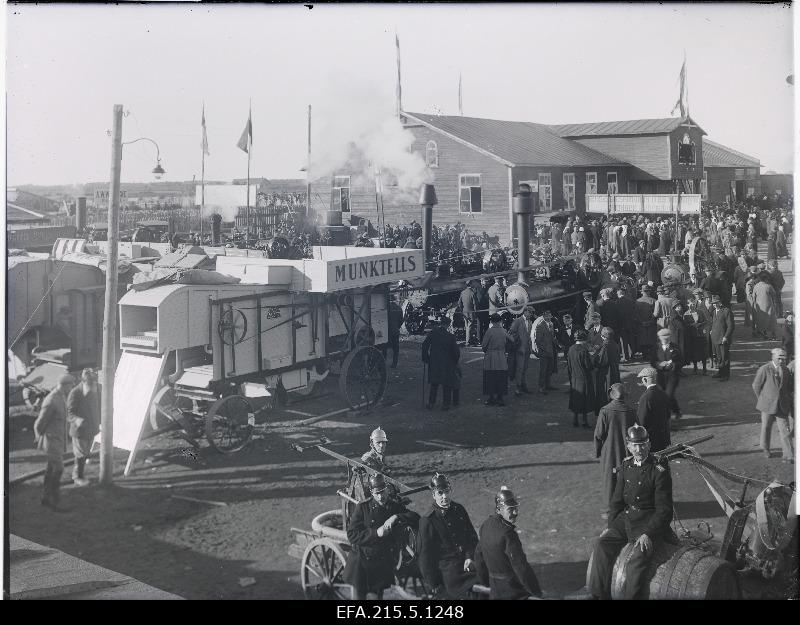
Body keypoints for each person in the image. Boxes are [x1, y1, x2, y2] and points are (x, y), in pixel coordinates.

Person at [587, 425, 674, 600]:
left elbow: (664, 510)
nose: (638, 449)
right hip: (626, 519)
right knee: (601, 544)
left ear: (649, 445)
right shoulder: (626, 466)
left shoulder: (659, 471)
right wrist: (610, 526)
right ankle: (598, 595)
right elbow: (617, 501)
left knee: (636, 562)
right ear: (628, 446)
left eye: (642, 445)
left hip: (648, 522)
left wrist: (648, 533)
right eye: (634, 445)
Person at [344, 473, 420, 599]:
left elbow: (415, 517)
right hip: (361, 563)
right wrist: (376, 533)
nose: (380, 496)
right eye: (377, 493)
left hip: (380, 562)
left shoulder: (394, 506)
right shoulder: (363, 508)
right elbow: (352, 535)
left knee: (377, 597)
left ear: (387, 490)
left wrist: (396, 516)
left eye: (382, 492)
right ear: (372, 493)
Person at [474, 486, 542, 600]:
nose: (516, 512)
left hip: (494, 588)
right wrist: (535, 591)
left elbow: (478, 557)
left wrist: (484, 582)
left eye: (516, 508)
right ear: (499, 509)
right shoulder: (508, 534)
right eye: (510, 509)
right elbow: (520, 566)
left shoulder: (485, 525)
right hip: (512, 591)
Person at [418, 473, 479, 599]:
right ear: (434, 495)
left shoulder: (459, 509)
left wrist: (469, 557)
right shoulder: (428, 520)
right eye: (440, 493)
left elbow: (472, 537)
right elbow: (425, 557)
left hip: (469, 563)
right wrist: (434, 585)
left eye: (446, 491)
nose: (444, 496)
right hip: (450, 573)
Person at [594, 383, 637, 520]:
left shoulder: (605, 411)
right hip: (627, 451)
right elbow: (637, 430)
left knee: (609, 480)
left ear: (611, 395)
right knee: (626, 478)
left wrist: (597, 451)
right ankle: (626, 506)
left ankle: (608, 510)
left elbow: (599, 434)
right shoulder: (631, 411)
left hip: (610, 451)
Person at [34, 374, 73, 510]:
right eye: (70, 386)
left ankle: (46, 498)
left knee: (51, 468)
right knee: (58, 469)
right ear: (64, 385)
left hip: (58, 440)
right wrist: (40, 437)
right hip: (51, 441)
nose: (71, 389)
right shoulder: (51, 400)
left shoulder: (61, 396)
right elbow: (39, 423)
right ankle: (55, 501)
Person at [752, 348, 794, 463]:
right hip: (767, 405)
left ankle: (788, 455)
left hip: (782, 406)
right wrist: (762, 399)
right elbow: (756, 385)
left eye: (783, 358)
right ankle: (765, 448)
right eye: (779, 358)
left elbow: (788, 387)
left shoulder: (786, 370)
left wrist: (787, 400)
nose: (782, 361)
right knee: (766, 427)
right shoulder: (765, 369)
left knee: (785, 429)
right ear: (773, 357)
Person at [66, 368, 100, 487]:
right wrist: (77, 420)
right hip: (79, 431)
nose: (93, 386)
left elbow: (99, 407)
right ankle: (77, 477)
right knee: (80, 454)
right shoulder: (75, 393)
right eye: (90, 383)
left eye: (94, 383)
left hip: (92, 429)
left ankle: (79, 472)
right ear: (84, 382)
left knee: (85, 453)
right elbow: (69, 413)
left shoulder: (97, 389)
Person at [635, 367, 671, 453]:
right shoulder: (663, 394)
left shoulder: (646, 397)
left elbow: (641, 421)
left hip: (651, 440)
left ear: (645, 379)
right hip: (662, 437)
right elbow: (668, 416)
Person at [651, 328, 683, 420]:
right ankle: (677, 410)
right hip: (661, 376)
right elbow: (652, 361)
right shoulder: (656, 348)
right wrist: (659, 365)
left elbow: (681, 361)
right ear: (659, 337)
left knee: (668, 396)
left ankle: (666, 418)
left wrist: (673, 365)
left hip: (673, 376)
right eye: (663, 337)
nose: (665, 338)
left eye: (667, 336)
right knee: (665, 395)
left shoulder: (675, 347)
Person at [567, 329, 595, 428]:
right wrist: (592, 359)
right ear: (584, 339)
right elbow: (588, 366)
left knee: (575, 397)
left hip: (574, 377)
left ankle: (575, 420)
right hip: (584, 378)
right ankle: (584, 421)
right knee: (585, 400)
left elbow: (569, 365)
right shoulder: (583, 350)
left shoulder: (571, 349)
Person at [481, 313, 511, 406]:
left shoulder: (489, 331)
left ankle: (491, 398)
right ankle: (500, 398)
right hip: (501, 356)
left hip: (491, 356)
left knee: (490, 376)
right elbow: (510, 342)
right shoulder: (504, 331)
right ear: (500, 321)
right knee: (501, 376)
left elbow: (484, 346)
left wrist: (487, 351)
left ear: (491, 321)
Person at [593, 327, 621, 417]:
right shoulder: (615, 344)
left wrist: (594, 358)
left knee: (605, 392)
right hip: (614, 370)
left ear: (603, 336)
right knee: (614, 391)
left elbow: (601, 361)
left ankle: (606, 412)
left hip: (606, 373)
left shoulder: (605, 345)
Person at [509, 308, 533, 395]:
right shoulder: (518, 321)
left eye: (532, 313)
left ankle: (523, 385)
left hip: (527, 349)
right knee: (519, 368)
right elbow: (511, 332)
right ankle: (518, 388)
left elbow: (528, 335)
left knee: (525, 368)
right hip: (519, 350)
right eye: (530, 312)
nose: (531, 314)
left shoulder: (530, 322)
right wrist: (517, 345)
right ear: (525, 312)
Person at [533, 309, 557, 394]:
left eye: (550, 316)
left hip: (551, 351)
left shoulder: (551, 324)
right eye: (547, 316)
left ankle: (548, 385)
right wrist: (544, 349)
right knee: (543, 370)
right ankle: (541, 387)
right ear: (543, 317)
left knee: (550, 369)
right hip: (544, 352)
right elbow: (538, 341)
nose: (549, 317)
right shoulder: (540, 326)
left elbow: (552, 337)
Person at [684, 297, 709, 375]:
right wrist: (691, 325)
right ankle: (695, 368)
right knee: (694, 352)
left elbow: (706, 321)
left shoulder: (700, 312)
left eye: (694, 304)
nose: (692, 305)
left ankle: (704, 369)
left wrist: (700, 324)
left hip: (701, 335)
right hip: (692, 336)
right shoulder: (686, 314)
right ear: (688, 305)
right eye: (691, 304)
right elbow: (685, 325)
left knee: (703, 352)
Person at [752, 272, 779, 340]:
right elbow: (774, 295)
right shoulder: (768, 286)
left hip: (759, 306)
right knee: (772, 320)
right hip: (769, 305)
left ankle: (764, 334)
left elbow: (753, 296)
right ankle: (773, 334)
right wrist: (775, 303)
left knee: (762, 320)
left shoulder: (756, 286)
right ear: (765, 279)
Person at [635, 284, 658, 362]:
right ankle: (651, 355)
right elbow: (655, 313)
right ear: (649, 291)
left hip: (641, 325)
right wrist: (651, 321)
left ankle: (645, 355)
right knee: (651, 340)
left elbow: (636, 314)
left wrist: (641, 322)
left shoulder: (637, 301)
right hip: (652, 324)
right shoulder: (654, 300)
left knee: (643, 340)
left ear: (642, 292)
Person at [615, 287, 638, 362]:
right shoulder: (631, 301)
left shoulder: (617, 302)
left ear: (618, 294)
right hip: (631, 324)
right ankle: (633, 355)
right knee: (631, 340)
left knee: (623, 341)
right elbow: (634, 312)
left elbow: (617, 315)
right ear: (624, 293)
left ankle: (625, 357)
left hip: (622, 325)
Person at [457, 280, 479, 346]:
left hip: (464, 312)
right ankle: (468, 341)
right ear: (471, 284)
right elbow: (475, 304)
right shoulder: (472, 293)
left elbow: (459, 303)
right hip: (471, 312)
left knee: (467, 326)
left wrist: (461, 310)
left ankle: (469, 340)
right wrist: (476, 312)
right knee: (470, 327)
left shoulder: (462, 292)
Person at [387, 297, 403, 368]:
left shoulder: (387, 307)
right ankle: (394, 363)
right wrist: (397, 327)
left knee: (384, 347)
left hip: (387, 331)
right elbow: (401, 320)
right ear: (395, 300)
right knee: (396, 349)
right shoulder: (399, 308)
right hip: (395, 331)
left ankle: (383, 361)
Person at [475, 276, 491, 341]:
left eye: (487, 281)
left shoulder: (489, 288)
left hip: (487, 309)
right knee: (480, 325)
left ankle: (486, 338)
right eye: (485, 281)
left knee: (487, 324)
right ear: (481, 281)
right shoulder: (478, 289)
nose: (487, 282)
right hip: (480, 310)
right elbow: (479, 299)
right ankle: (479, 339)